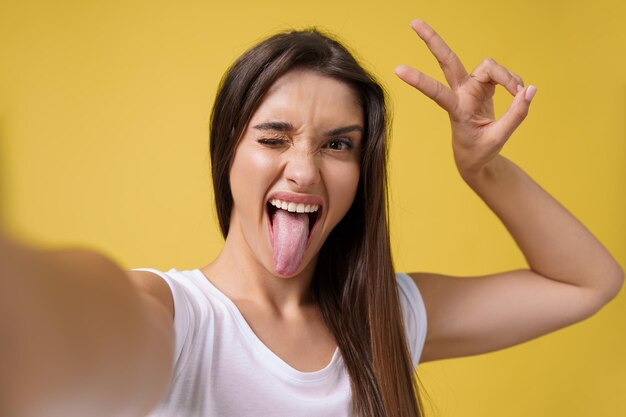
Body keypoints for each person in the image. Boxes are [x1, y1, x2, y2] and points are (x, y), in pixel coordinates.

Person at [0, 19, 623, 417]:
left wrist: (483, 170)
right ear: (228, 156)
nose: (304, 171)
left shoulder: (387, 318)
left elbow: (586, 283)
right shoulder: (176, 317)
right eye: (274, 139)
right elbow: (69, 326)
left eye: (337, 144)